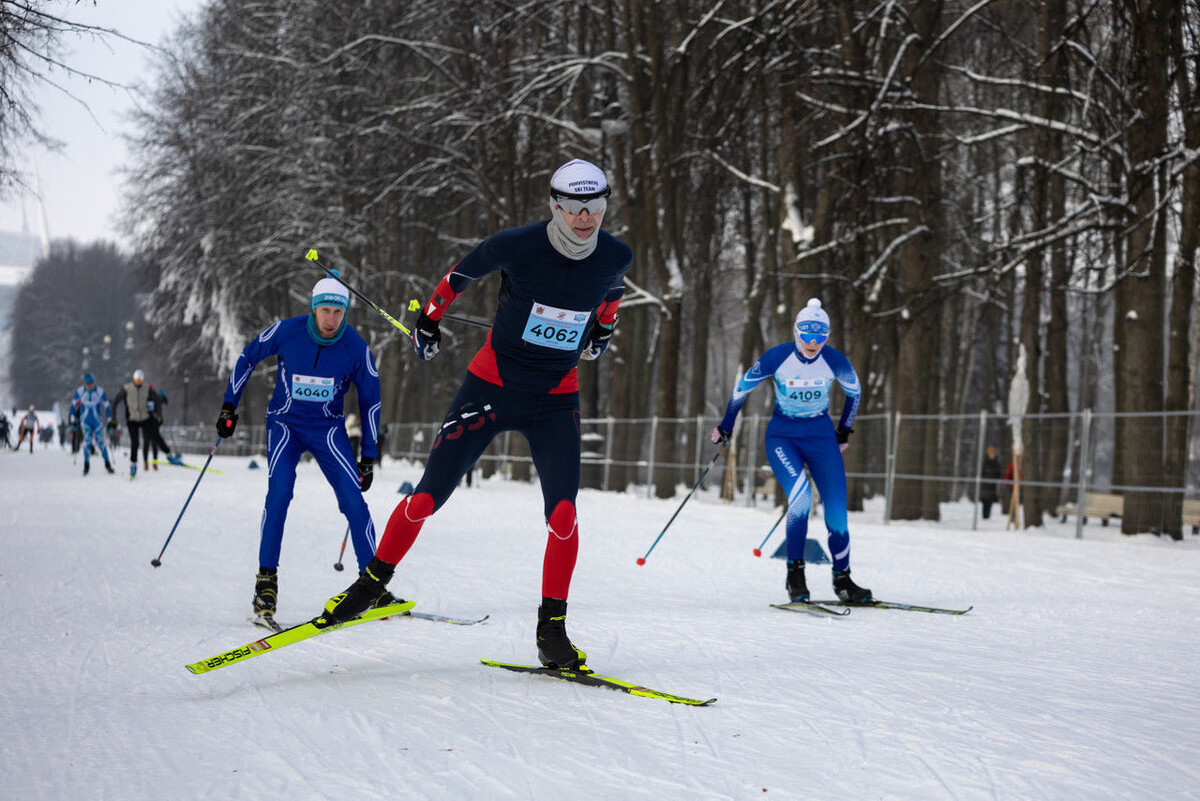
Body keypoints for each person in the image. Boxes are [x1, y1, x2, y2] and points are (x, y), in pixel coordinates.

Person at [318, 158, 632, 671]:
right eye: (574, 206)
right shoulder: (518, 244)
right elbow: (458, 275)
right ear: (555, 206)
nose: (585, 217)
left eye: (595, 206)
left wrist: (602, 329)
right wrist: (428, 321)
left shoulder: (616, 254)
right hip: (491, 387)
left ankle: (552, 633)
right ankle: (370, 586)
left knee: (564, 515)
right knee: (425, 498)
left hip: (555, 398)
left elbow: (613, 289)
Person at [216, 275, 383, 630]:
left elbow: (371, 399)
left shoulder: (355, 347)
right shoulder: (287, 331)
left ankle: (374, 585)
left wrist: (368, 454)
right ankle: (266, 584)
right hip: (285, 424)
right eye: (325, 311)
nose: (331, 319)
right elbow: (247, 357)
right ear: (313, 308)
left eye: (338, 312)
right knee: (279, 494)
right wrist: (230, 405)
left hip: (328, 429)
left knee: (353, 500)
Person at [713, 298, 870, 604]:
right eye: (807, 335)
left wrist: (844, 430)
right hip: (783, 437)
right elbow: (741, 389)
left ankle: (843, 580)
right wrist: (726, 426)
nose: (813, 343)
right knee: (800, 499)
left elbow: (855, 392)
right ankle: (795, 577)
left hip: (821, 437)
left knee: (837, 512)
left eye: (820, 336)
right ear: (797, 332)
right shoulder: (777, 357)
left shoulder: (835, 361)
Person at [112, 369, 180, 477]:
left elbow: (157, 400)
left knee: (156, 435)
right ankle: (133, 465)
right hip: (132, 419)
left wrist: (159, 416)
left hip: (144, 418)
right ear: (134, 379)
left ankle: (169, 455)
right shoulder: (127, 388)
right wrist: (113, 419)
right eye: (137, 380)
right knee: (135, 442)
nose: (138, 382)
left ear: (142, 380)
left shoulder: (147, 388)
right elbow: (115, 402)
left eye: (140, 380)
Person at [71, 373, 116, 475]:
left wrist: (109, 421)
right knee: (87, 442)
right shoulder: (80, 391)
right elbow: (73, 405)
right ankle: (86, 466)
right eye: (87, 384)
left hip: (97, 422)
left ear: (93, 383)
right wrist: (73, 420)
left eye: (91, 383)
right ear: (85, 384)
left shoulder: (100, 391)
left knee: (101, 442)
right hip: (85, 421)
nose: (89, 386)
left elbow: (107, 406)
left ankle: (108, 465)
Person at [980, 445, 1002, 520]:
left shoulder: (996, 463)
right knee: (985, 501)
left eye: (993, 453)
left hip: (992, 486)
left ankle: (988, 516)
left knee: (990, 501)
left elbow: (998, 473)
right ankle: (985, 516)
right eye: (990, 454)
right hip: (985, 486)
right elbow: (982, 473)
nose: (992, 455)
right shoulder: (984, 463)